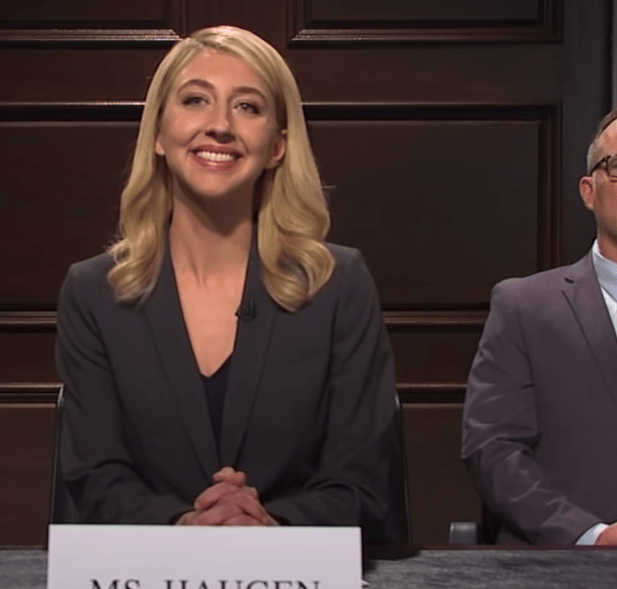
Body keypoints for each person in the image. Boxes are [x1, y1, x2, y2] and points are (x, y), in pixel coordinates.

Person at [55, 25, 395, 534]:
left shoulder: (338, 285)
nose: (219, 126)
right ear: (158, 136)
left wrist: (268, 528)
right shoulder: (93, 292)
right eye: (195, 100)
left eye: (248, 107)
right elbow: (95, 475)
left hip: (296, 571)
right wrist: (184, 526)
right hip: (149, 572)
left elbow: (359, 481)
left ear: (277, 146)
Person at [463, 101, 617, 545]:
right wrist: (590, 536)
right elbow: (494, 450)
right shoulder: (524, 307)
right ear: (589, 190)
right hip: (570, 569)